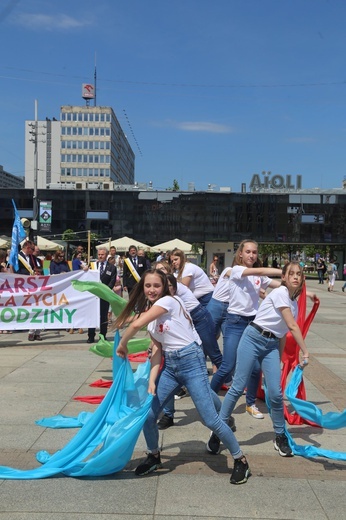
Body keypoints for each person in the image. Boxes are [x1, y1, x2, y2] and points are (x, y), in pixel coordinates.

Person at [115, 269, 251, 485]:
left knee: (210, 419)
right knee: (149, 416)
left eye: (156, 286)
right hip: (171, 366)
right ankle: (154, 455)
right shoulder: (152, 316)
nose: (151, 290)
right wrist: (152, 379)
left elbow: (135, 324)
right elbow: (158, 349)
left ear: (165, 287)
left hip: (191, 362)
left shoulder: (169, 301)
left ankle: (240, 460)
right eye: (147, 285)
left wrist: (123, 345)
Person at [207, 261, 314, 458]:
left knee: (275, 392)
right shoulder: (281, 293)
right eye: (292, 274)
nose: (296, 277)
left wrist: (279, 359)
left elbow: (282, 333)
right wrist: (305, 352)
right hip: (253, 338)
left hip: (271, 345)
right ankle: (218, 430)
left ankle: (280, 435)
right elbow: (292, 326)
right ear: (284, 277)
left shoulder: (294, 305)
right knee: (238, 387)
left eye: (299, 274)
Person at [209, 240, 282, 421]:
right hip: (234, 322)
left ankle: (250, 404)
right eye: (248, 251)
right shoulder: (234, 271)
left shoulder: (258, 277)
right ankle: (208, 397)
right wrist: (285, 272)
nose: (251, 255)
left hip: (253, 325)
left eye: (254, 252)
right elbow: (261, 271)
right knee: (228, 365)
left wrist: (299, 286)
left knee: (256, 368)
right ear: (240, 254)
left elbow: (277, 285)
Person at [154, 262, 223, 430]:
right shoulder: (159, 297)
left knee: (207, 369)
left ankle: (223, 412)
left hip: (197, 325)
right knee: (164, 376)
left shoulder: (174, 297)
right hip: (177, 343)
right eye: (157, 271)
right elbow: (157, 325)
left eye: (163, 269)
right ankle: (168, 414)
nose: (160, 274)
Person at [14, 240, 43, 341]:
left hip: (34, 287)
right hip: (23, 286)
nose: (34, 251)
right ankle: (31, 332)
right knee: (29, 310)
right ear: (27, 247)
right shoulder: (17, 257)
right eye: (32, 249)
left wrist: (38, 273)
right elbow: (16, 271)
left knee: (38, 308)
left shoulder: (33, 258)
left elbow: (39, 269)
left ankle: (37, 332)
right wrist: (29, 275)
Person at [87, 247, 117, 343]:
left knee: (103, 316)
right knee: (92, 316)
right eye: (99, 254)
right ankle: (91, 336)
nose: (100, 256)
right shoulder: (92, 266)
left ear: (106, 255)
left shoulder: (112, 267)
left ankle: (102, 336)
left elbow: (112, 281)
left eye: (102, 254)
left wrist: (105, 290)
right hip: (93, 296)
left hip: (104, 295)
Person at [70, 251, 88, 334]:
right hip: (79, 280)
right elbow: (84, 268)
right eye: (79, 254)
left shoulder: (74, 261)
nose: (80, 256)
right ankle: (79, 327)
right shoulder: (77, 261)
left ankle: (72, 327)